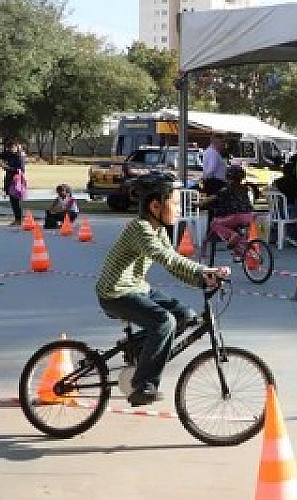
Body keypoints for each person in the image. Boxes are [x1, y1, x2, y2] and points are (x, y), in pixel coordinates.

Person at [95, 173, 229, 406]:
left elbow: (174, 264)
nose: (179, 209)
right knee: (164, 322)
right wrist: (204, 270)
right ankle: (143, 385)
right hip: (115, 292)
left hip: (137, 288)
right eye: (175, 203)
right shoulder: (140, 229)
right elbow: (165, 258)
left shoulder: (158, 230)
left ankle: (140, 351)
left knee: (185, 316)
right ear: (155, 206)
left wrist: (202, 280)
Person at [205, 166, 256, 257]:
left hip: (236, 216)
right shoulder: (245, 188)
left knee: (214, 224)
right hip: (249, 216)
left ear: (228, 177)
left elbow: (212, 198)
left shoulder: (226, 189)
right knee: (238, 230)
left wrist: (199, 203)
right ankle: (239, 252)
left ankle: (232, 235)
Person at [0, 140, 26, 225]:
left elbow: (21, 170)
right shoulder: (9, 154)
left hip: (16, 181)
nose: (11, 149)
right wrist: (0, 162)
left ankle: (19, 219)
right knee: (13, 201)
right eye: (10, 148)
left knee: (15, 200)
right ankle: (17, 219)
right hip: (9, 179)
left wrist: (7, 167)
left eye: (13, 147)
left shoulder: (19, 157)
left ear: (17, 147)